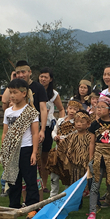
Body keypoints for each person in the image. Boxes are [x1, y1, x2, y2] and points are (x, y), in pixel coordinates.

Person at [0, 79, 40, 216]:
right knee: (13, 180)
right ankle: (14, 206)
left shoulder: (31, 112)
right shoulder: (8, 112)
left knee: (30, 179)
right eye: (10, 92)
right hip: (11, 150)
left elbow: (35, 133)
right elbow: (5, 133)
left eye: (15, 92)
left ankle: (32, 207)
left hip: (26, 149)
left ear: (23, 93)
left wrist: (34, 152)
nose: (12, 96)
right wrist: (2, 151)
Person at [37, 67, 65, 197]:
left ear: (50, 79)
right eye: (41, 76)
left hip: (47, 127)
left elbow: (61, 109)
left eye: (46, 77)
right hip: (33, 125)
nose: (43, 79)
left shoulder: (53, 94)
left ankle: (43, 183)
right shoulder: (34, 90)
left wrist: (60, 123)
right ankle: (32, 184)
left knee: (45, 157)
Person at [47, 99, 81, 196]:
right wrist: (55, 137)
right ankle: (52, 196)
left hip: (69, 154)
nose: (72, 111)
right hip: (57, 152)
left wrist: (65, 139)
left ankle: (67, 197)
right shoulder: (61, 120)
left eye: (75, 109)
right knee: (54, 175)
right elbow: (54, 131)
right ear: (67, 109)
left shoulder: (76, 124)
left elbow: (75, 136)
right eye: (70, 108)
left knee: (67, 175)